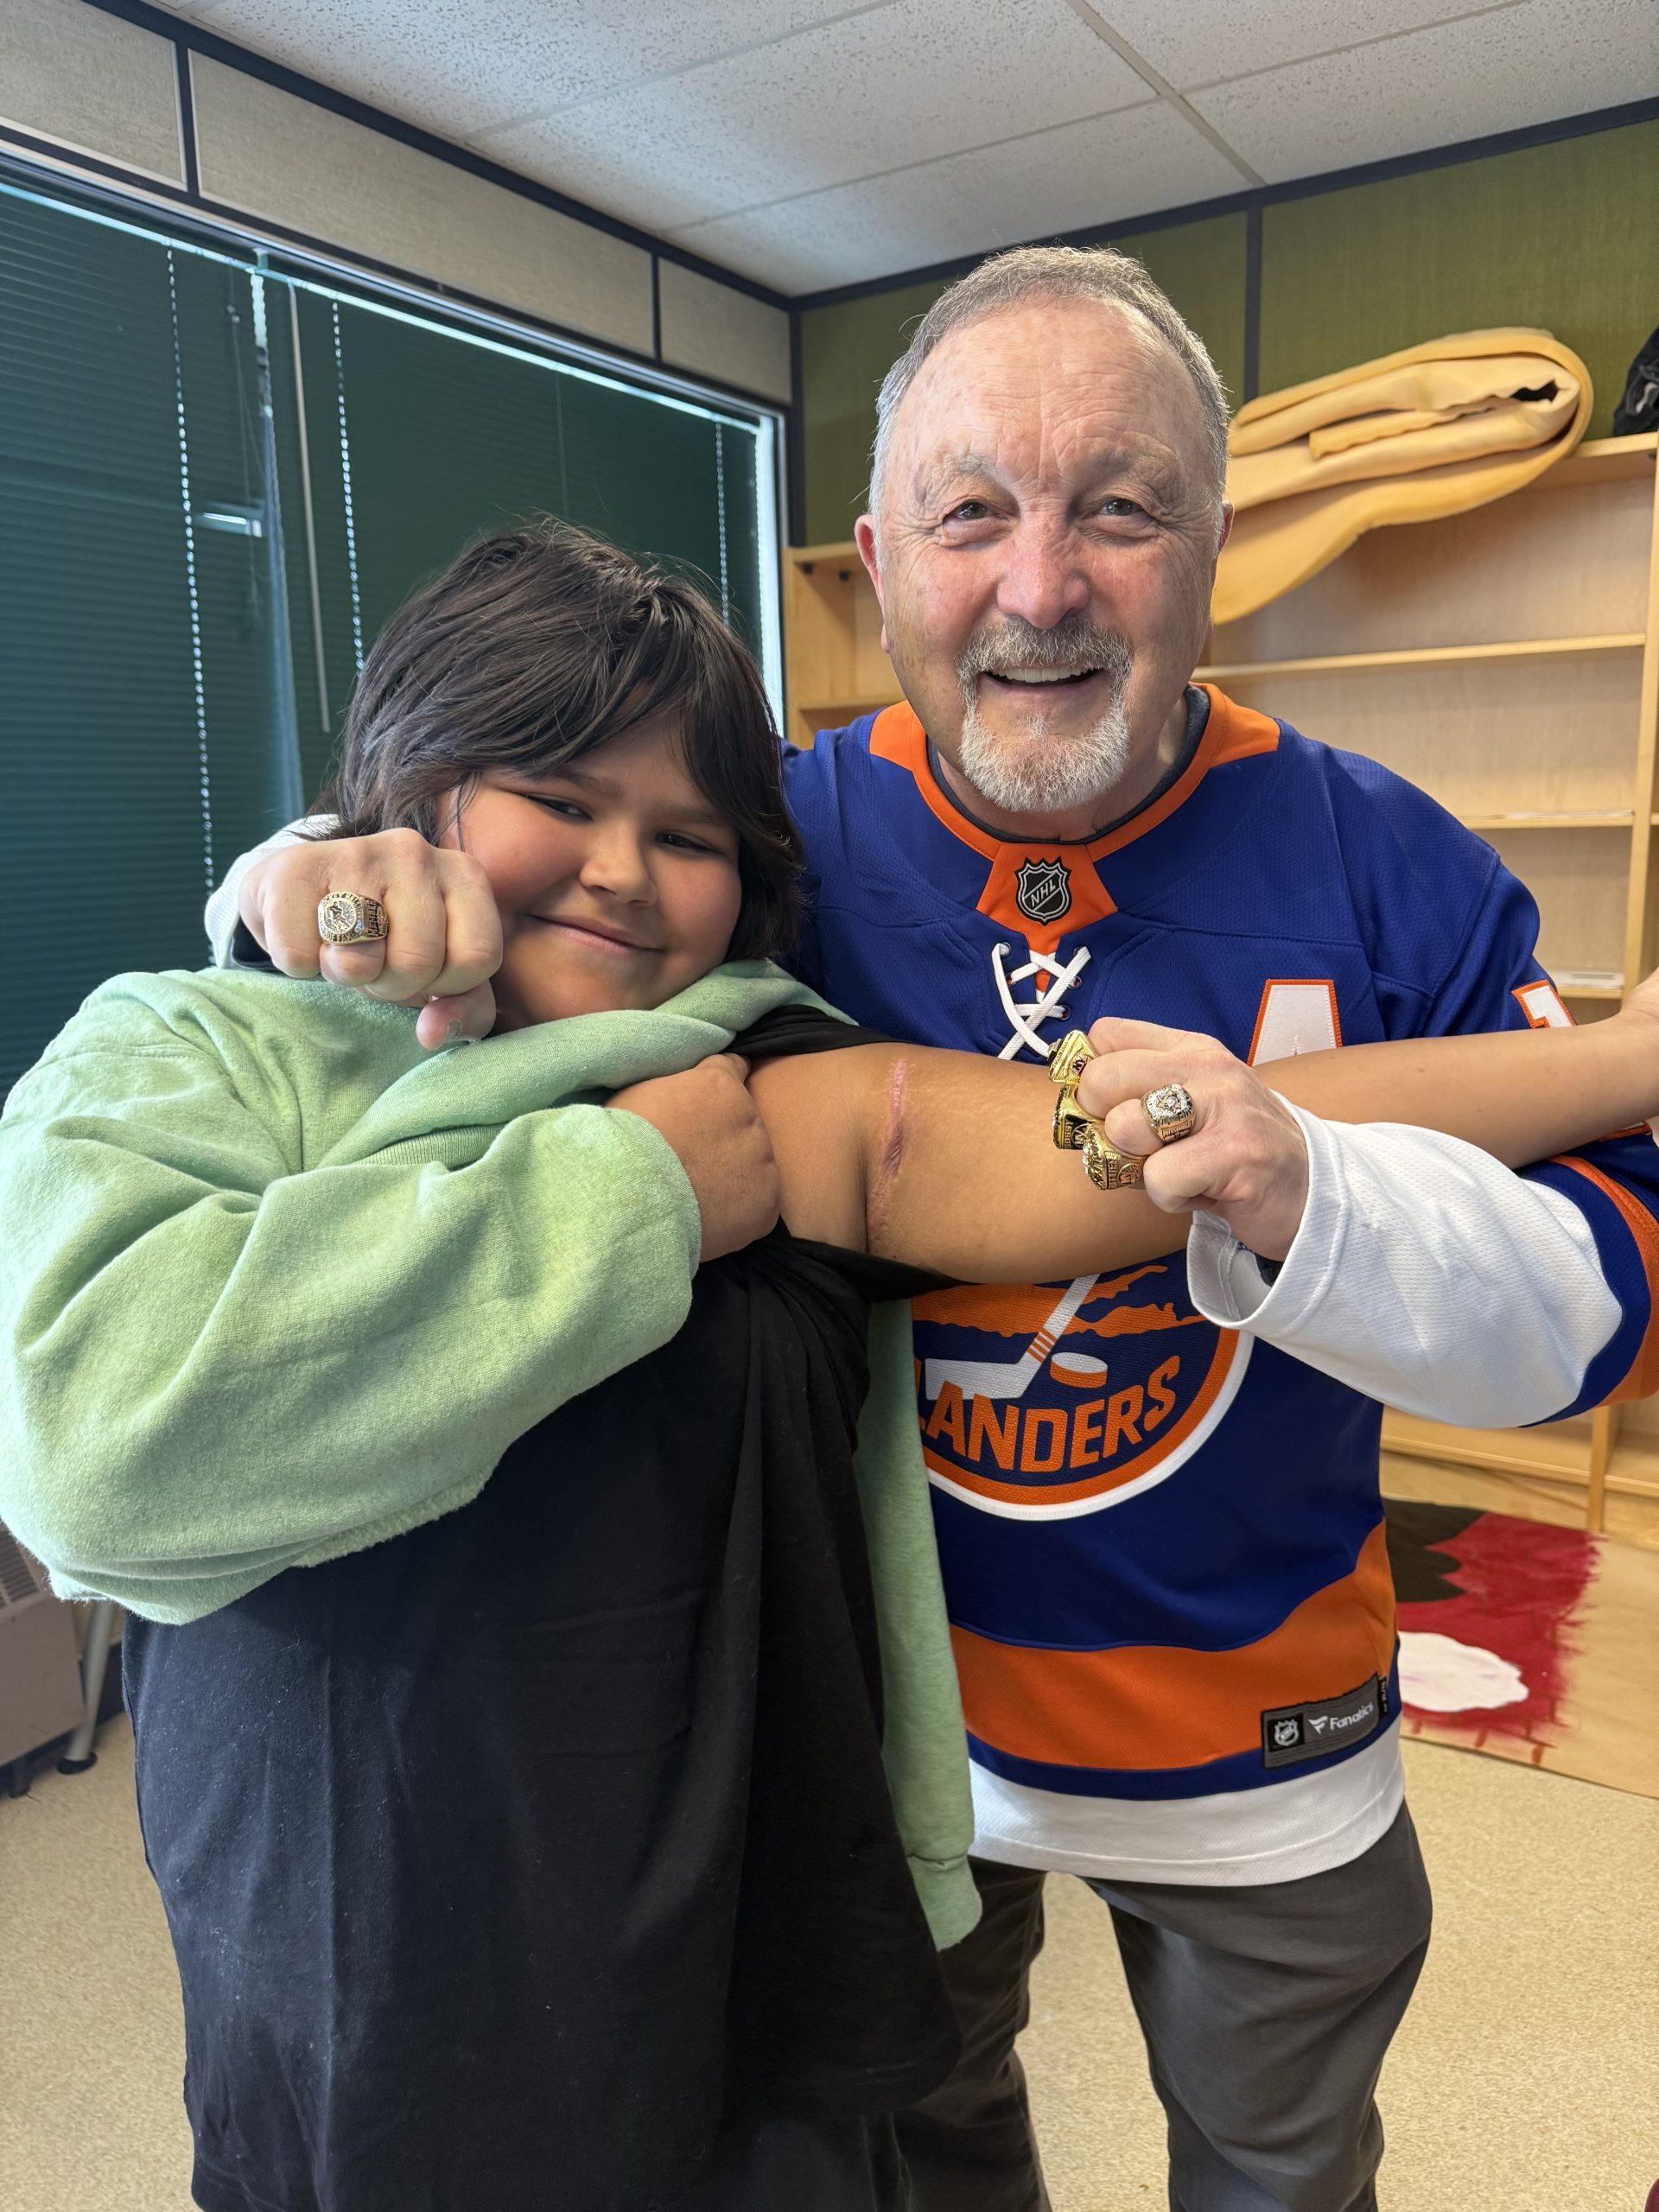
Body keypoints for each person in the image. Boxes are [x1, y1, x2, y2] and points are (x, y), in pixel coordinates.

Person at [199, 237, 1659, 2202]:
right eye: (972, 516)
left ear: (1218, 547)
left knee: (1285, 2168)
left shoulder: (1393, 858)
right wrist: (288, 880)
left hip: (1265, 1744)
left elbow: (1603, 1302)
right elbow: (486, 918)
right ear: (880, 563)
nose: (1040, 588)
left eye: (1120, 510)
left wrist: (1328, 1200)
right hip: (884, 1742)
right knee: (935, 2151)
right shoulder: (747, 843)